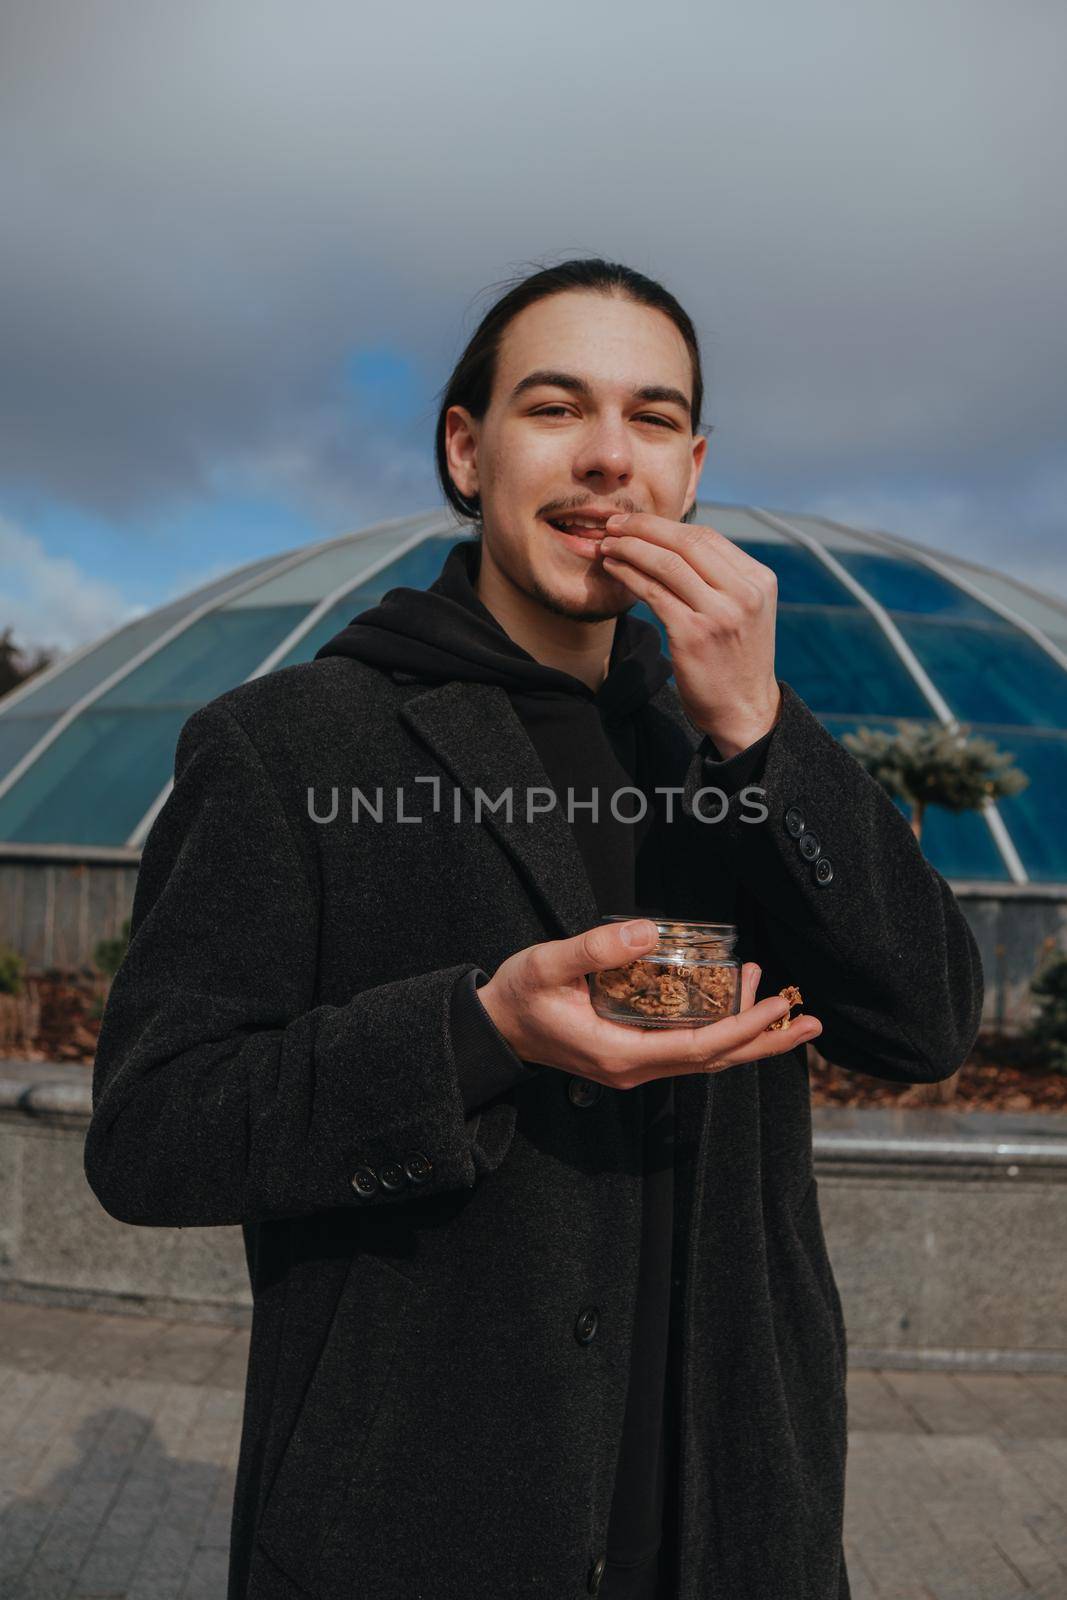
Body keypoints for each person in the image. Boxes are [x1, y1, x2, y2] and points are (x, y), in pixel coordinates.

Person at [85, 257, 984, 1600]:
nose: (610, 458)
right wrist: (477, 1030)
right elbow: (153, 1135)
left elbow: (928, 1023)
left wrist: (762, 730)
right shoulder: (290, 745)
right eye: (555, 408)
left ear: (692, 470)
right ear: (467, 450)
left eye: (655, 418)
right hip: (414, 1525)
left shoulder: (730, 743)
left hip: (725, 1522)